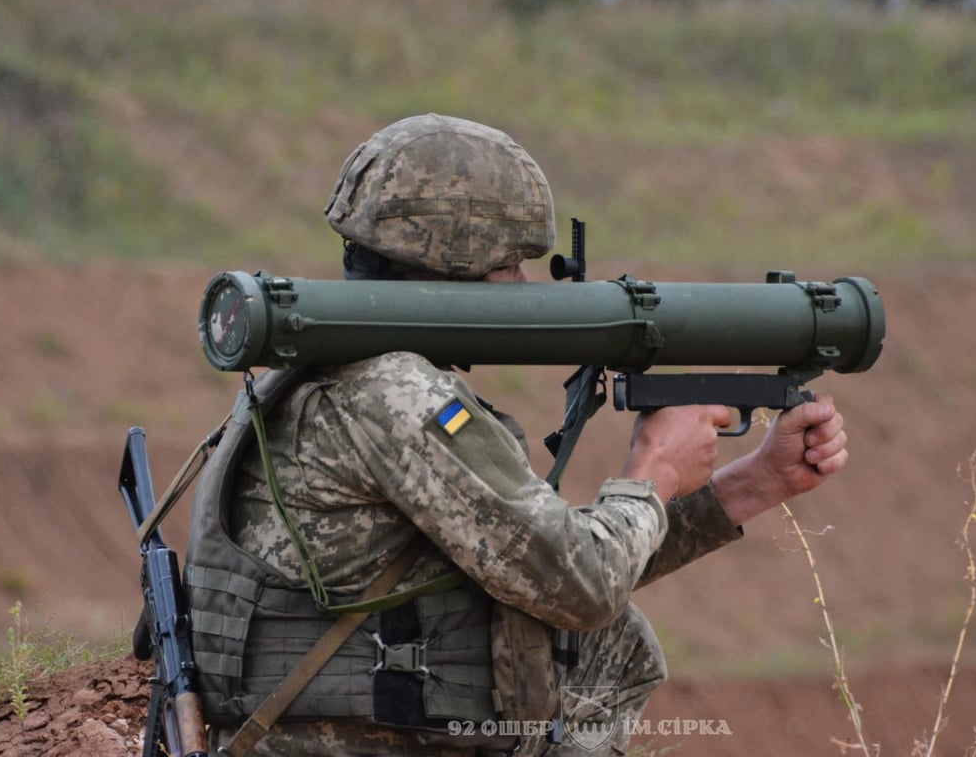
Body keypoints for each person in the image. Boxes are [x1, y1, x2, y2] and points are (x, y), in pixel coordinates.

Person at [185, 114, 849, 757]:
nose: (525, 287)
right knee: (606, 637)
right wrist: (655, 467)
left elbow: (538, 567)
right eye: (510, 265)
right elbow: (581, 583)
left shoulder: (323, 370)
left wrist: (753, 484)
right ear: (453, 262)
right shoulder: (396, 394)